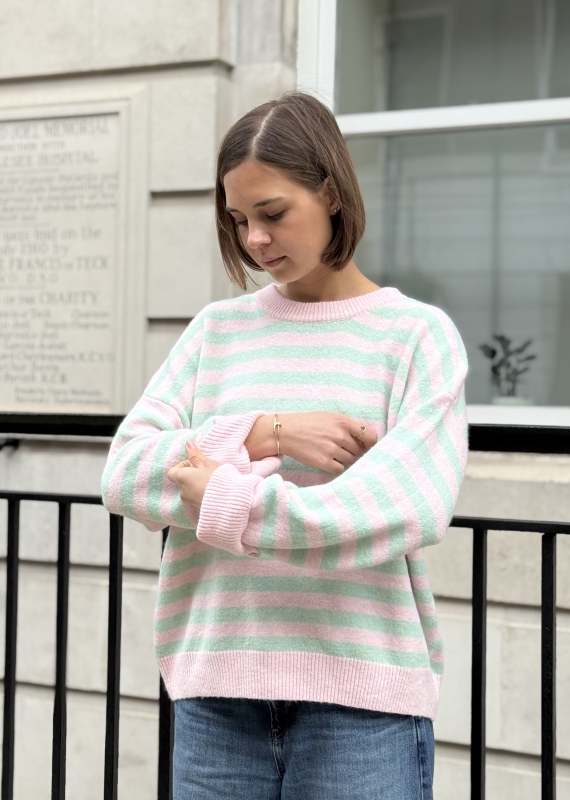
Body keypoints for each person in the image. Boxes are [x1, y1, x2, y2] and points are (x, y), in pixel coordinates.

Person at [101, 92, 468, 800]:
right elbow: (123, 473)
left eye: (272, 213)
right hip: (216, 691)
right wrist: (264, 429)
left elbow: (398, 510)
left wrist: (226, 499)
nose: (255, 241)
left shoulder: (415, 336)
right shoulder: (217, 331)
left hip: (361, 702)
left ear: (330, 191)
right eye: (239, 221)